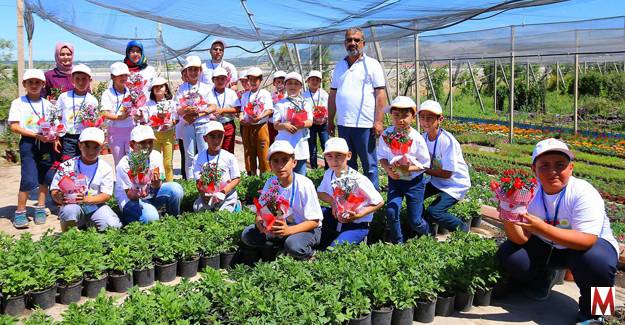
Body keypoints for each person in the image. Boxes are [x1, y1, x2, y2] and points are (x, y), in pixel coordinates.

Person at [497, 138, 619, 325]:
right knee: (511, 255)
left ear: (571, 168)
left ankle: (597, 313)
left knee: (598, 263)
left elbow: (587, 241)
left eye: (560, 165)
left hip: (589, 247)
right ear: (534, 170)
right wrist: (508, 213)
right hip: (549, 246)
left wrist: (542, 227)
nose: (552, 172)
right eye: (544, 165)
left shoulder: (583, 192)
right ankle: (543, 277)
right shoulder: (527, 193)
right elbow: (520, 240)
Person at [240, 141, 323, 260]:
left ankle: (310, 254)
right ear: (270, 164)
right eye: (276, 161)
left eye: (285, 160)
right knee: (247, 235)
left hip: (306, 228)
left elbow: (315, 221)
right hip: (280, 227)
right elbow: (261, 211)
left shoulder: (305, 184)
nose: (280, 166)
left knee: (293, 245)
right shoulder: (271, 183)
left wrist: (289, 230)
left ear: (294, 163)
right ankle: (280, 246)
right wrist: (260, 224)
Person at [328, 27, 387, 189]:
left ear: (363, 43)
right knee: (347, 162)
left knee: (370, 165)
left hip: (365, 125)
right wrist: (330, 120)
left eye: (356, 40)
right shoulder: (339, 66)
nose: (352, 43)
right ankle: (352, 196)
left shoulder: (372, 65)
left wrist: (379, 121)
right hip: (344, 124)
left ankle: (373, 199)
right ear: (344, 43)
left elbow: (380, 95)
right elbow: (333, 95)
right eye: (349, 40)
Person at [9, 69, 58, 228]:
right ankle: (20, 211)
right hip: (28, 144)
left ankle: (40, 208)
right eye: (30, 82)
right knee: (28, 177)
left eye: (38, 82)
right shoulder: (18, 103)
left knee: (45, 175)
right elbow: (14, 126)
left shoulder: (48, 104)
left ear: (43, 84)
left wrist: (55, 138)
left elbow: (54, 126)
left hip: (46, 143)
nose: (34, 85)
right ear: (24, 84)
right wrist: (35, 135)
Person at [378, 96, 431, 243]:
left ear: (413, 117)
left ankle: (427, 233)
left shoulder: (416, 138)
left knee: (415, 220)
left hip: (415, 183)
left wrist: (407, 168)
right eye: (397, 115)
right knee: (391, 211)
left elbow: (425, 164)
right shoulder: (387, 135)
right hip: (395, 181)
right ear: (391, 116)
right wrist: (388, 170)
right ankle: (398, 242)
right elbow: (382, 156)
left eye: (405, 116)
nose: (401, 119)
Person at [50, 128, 121, 231]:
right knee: (69, 211)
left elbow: (106, 195)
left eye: (96, 147)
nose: (91, 151)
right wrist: (59, 197)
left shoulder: (105, 167)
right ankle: (68, 237)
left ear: (102, 147)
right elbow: (54, 189)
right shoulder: (67, 165)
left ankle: (89, 224)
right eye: (86, 146)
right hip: (72, 205)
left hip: (95, 206)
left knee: (112, 225)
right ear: (79, 145)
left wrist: (86, 199)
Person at [317, 137, 383, 247]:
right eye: (329, 156)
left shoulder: (358, 179)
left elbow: (379, 202)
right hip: (337, 218)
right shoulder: (329, 173)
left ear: (349, 155)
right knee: (317, 212)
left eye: (339, 155)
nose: (334, 160)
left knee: (333, 250)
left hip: (357, 223)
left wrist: (358, 215)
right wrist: (333, 202)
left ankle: (362, 236)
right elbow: (320, 193)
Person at [418, 100, 471, 233]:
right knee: (415, 195)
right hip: (436, 179)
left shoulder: (447, 141)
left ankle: (463, 229)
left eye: (429, 118)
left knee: (435, 211)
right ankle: (426, 230)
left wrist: (422, 168)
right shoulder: (422, 138)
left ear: (440, 119)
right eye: (422, 118)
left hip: (454, 183)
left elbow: (448, 174)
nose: (425, 122)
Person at [115, 125, 184, 225]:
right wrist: (139, 192)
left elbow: (157, 186)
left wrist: (156, 183)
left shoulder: (155, 155)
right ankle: (131, 218)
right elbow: (129, 194)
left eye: (150, 142)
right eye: (142, 142)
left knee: (176, 189)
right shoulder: (124, 163)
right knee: (151, 217)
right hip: (130, 199)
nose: (147, 146)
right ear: (131, 144)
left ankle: (173, 218)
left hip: (149, 194)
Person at [175, 55, 218, 179]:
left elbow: (213, 106)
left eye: (196, 69)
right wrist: (185, 111)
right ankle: (190, 182)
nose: (193, 72)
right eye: (190, 69)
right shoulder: (182, 88)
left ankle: (205, 180)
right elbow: (177, 108)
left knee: (204, 152)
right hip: (187, 124)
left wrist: (200, 113)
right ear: (186, 72)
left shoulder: (206, 87)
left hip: (202, 124)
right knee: (189, 155)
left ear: (200, 71)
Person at [192, 121, 241, 212]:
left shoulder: (229, 157)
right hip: (208, 195)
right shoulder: (198, 158)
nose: (216, 140)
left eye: (220, 136)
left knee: (224, 213)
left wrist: (223, 192)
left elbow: (236, 178)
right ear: (205, 138)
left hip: (226, 195)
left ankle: (235, 204)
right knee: (197, 208)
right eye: (212, 136)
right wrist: (203, 194)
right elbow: (198, 181)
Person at [273, 72, 313, 175]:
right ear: (285, 85)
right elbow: (276, 124)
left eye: (296, 83)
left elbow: (310, 121)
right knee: (284, 175)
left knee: (300, 175)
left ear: (301, 86)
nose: (293, 86)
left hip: (300, 145)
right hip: (284, 144)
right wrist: (285, 126)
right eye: (290, 83)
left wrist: (300, 125)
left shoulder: (305, 103)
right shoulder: (280, 104)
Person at [57, 64, 99, 159]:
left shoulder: (92, 100)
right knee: (68, 164)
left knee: (84, 161)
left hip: (85, 138)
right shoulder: (64, 97)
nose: (80, 82)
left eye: (84, 79)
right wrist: (57, 136)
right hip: (68, 137)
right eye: (77, 79)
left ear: (90, 80)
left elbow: (94, 122)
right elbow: (58, 117)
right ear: (72, 80)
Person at [237, 67, 274, 176]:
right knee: (249, 152)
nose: (253, 82)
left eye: (256, 79)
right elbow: (242, 110)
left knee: (263, 153)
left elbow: (269, 109)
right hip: (248, 127)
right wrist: (241, 118)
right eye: (251, 79)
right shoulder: (245, 95)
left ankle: (265, 177)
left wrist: (260, 117)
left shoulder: (265, 93)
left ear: (260, 80)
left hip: (261, 126)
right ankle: (251, 175)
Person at [100, 62, 133, 166]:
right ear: (112, 77)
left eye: (125, 75)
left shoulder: (132, 91)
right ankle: (120, 182)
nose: (123, 78)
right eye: (120, 75)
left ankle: (132, 182)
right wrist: (120, 117)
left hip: (131, 129)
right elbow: (104, 112)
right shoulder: (107, 93)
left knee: (132, 161)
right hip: (115, 132)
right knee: (119, 162)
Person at [145, 77, 177, 182]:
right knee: (155, 161)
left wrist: (171, 124)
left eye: (161, 86)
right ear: (152, 91)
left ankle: (170, 183)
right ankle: (155, 183)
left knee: (168, 163)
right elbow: (145, 120)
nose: (158, 89)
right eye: (156, 87)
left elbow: (176, 119)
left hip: (168, 135)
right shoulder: (149, 104)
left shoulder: (171, 103)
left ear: (166, 89)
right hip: (154, 136)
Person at [210, 67, 239, 154]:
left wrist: (223, 110)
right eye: (217, 79)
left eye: (222, 79)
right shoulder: (208, 93)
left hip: (228, 125)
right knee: (213, 150)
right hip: (213, 125)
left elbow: (237, 108)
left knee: (228, 151)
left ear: (226, 80)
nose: (220, 81)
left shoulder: (231, 93)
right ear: (213, 80)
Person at [304, 70, 329, 170]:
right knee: (312, 146)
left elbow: (328, 108)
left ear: (320, 82)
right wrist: (311, 119)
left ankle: (328, 168)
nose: (315, 82)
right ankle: (314, 168)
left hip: (323, 123)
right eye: (312, 79)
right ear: (308, 81)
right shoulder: (304, 95)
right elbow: (302, 111)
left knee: (326, 145)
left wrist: (325, 117)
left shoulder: (324, 94)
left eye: (317, 80)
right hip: (311, 124)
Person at [269, 70, 286, 144]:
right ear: (274, 83)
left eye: (282, 82)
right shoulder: (270, 96)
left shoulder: (288, 96)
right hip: (271, 124)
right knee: (272, 143)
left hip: (284, 124)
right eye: (278, 82)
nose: (280, 84)